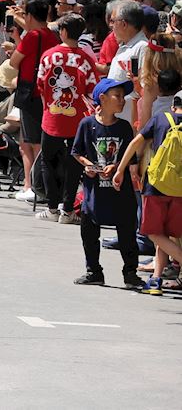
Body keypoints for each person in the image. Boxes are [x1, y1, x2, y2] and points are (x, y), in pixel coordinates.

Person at [112, 89, 182, 296]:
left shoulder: (161, 118)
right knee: (165, 234)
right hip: (179, 188)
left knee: (152, 232)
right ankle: (156, 280)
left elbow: (136, 142)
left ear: (173, 104)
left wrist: (120, 168)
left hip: (157, 185)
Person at [71, 79, 141, 287]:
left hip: (120, 190)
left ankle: (130, 272)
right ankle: (94, 270)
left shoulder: (124, 127)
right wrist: (88, 165)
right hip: (95, 190)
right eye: (117, 96)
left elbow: (131, 156)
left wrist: (117, 166)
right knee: (89, 230)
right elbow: (77, 152)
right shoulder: (87, 124)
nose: (122, 100)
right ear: (102, 98)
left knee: (127, 232)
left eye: (122, 96)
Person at [34, 14, 98, 222]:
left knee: (48, 161)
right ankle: (68, 209)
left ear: (62, 31)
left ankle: (52, 208)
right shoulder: (86, 59)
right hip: (77, 119)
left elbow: (41, 85)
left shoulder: (48, 56)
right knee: (75, 163)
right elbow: (92, 90)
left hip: (51, 116)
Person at [8, 0, 57, 202]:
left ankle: (34, 185)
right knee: (31, 141)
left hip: (30, 93)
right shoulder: (52, 36)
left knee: (31, 142)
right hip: (45, 94)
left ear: (29, 16)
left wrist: (16, 44)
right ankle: (33, 184)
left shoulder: (32, 36)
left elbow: (13, 62)